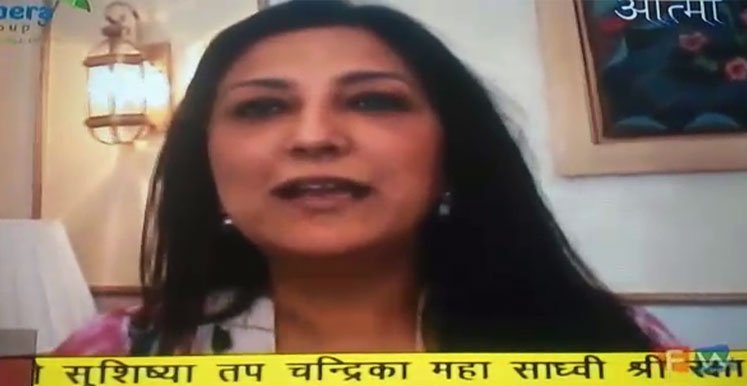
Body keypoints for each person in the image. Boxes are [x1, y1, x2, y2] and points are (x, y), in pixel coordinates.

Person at [54, 0, 680, 356]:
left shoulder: (617, 344)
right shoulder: (113, 354)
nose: (314, 137)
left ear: (451, 151)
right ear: (206, 160)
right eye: (262, 107)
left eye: (373, 101)